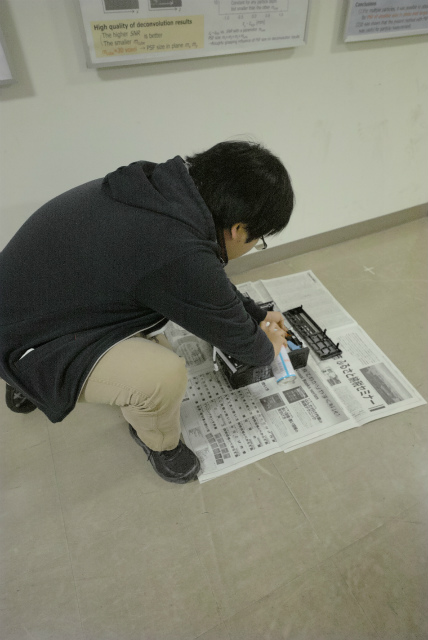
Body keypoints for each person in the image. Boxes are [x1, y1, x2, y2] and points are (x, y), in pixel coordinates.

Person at [0, 140, 294, 483]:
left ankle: (23, 374)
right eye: (259, 239)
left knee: (151, 322)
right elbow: (251, 349)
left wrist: (256, 315)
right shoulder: (176, 246)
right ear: (239, 229)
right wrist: (268, 344)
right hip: (25, 338)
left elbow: (205, 277)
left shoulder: (159, 188)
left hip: (25, 304)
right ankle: (159, 442)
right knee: (162, 377)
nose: (255, 245)